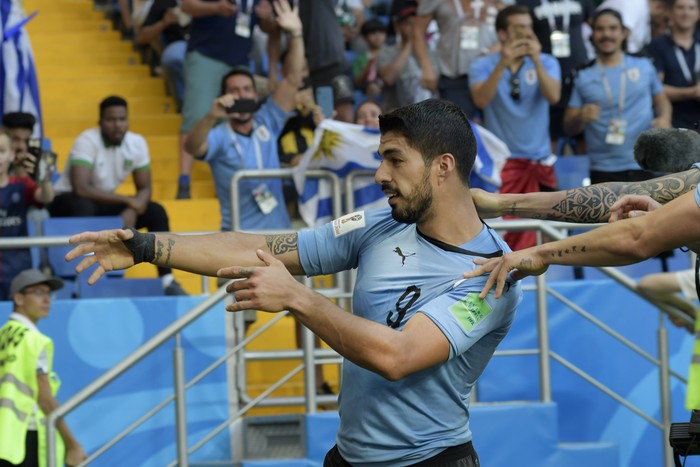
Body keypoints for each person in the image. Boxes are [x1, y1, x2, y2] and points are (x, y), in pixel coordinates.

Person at [67, 98, 522, 466]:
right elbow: (261, 247)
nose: (380, 175)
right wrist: (147, 247)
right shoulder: (379, 221)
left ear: (443, 167)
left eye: (394, 160)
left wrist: (297, 298)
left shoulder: (494, 271)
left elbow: (397, 356)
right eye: (381, 158)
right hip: (349, 457)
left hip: (431, 461)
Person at [184, 0, 304, 232]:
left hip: (279, 234)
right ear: (224, 97)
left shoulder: (268, 120)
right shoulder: (219, 134)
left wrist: (296, 34)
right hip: (237, 238)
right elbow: (192, 147)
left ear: (255, 96)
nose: (241, 95)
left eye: (247, 89)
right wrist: (210, 116)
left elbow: (292, 80)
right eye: (234, 91)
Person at [49, 96, 186, 296]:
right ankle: (79, 279)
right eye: (111, 120)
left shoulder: (136, 142)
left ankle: (167, 280)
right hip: (66, 201)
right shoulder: (87, 140)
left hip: (103, 202)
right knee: (82, 206)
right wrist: (128, 201)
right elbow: (81, 188)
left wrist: (132, 209)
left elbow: (145, 188)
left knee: (156, 211)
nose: (117, 125)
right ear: (100, 122)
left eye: (122, 119)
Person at [470, 4, 561, 251]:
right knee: (503, 235)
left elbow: (553, 96)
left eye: (529, 27)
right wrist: (503, 62)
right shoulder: (482, 65)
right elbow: (480, 100)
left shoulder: (548, 61)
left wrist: (536, 60)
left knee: (547, 234)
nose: (527, 33)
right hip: (503, 165)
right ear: (502, 34)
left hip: (540, 163)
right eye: (519, 28)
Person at [176, 0, 276, 199]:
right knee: (197, 115)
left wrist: (268, 17)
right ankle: (184, 181)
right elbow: (186, 5)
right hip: (206, 56)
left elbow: (271, 29)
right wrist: (215, 7)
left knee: (237, 120)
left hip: (239, 60)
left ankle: (225, 182)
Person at [563, 9, 672, 185]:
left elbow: (661, 101)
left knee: (651, 213)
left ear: (624, 32)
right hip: (603, 168)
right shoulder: (582, 74)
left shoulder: (644, 64)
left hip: (647, 162)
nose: (606, 34)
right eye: (600, 29)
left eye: (612, 28)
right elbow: (569, 126)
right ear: (593, 34)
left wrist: (664, 119)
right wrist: (580, 116)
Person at [0, 269, 88, 467]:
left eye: (49, 293)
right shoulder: (35, 340)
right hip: (24, 437)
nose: (47, 299)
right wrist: (72, 444)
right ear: (19, 298)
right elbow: (45, 400)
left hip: (5, 437)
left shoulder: (3, 334)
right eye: (39, 292)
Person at [515, 0, 596, 152]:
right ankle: (549, 171)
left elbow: (597, 25)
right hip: (546, 75)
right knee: (551, 134)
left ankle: (592, 175)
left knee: (583, 134)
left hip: (578, 74)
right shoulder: (527, 2)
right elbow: (518, 29)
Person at [413, 0, 502, 118]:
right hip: (454, 76)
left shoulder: (498, 3)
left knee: (494, 131)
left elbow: (512, 21)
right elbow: (417, 31)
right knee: (458, 128)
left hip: (492, 73)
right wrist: (426, 67)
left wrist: (501, 45)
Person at [0, 127, 53, 301]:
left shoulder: (22, 184)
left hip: (18, 269)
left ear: (11, 155)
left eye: (1, 151)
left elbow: (45, 197)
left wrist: (44, 177)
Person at [647, 0, 700, 130]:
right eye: (680, 7)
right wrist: (692, 92)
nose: (686, 13)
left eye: (691, 8)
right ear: (671, 13)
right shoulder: (657, 45)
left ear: (698, 13)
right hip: (673, 124)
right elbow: (655, 88)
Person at [134, 0, 191, 111]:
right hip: (179, 46)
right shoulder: (163, 3)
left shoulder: (210, 3)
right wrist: (164, 22)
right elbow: (142, 37)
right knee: (174, 56)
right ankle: (185, 103)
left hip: (208, 48)